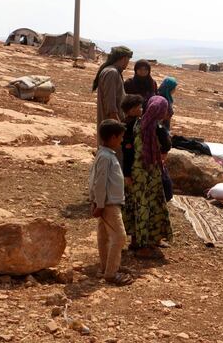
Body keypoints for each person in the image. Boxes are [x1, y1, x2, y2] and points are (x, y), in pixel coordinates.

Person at [125, 96, 173, 259]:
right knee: (147, 207)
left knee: (139, 206)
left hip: (137, 173)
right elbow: (166, 147)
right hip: (148, 174)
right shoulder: (157, 129)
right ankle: (143, 246)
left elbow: (129, 152)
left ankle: (140, 241)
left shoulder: (136, 124)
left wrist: (127, 174)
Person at [89, 119, 133, 286]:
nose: (121, 140)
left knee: (104, 236)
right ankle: (111, 273)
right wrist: (99, 204)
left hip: (105, 202)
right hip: (109, 204)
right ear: (113, 137)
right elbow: (99, 182)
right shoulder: (106, 157)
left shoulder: (104, 155)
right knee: (119, 237)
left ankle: (106, 266)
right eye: (120, 137)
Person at [92, 46, 133, 142]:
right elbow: (111, 106)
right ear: (124, 58)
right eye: (128, 59)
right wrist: (119, 128)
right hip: (112, 128)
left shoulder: (113, 71)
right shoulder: (112, 73)